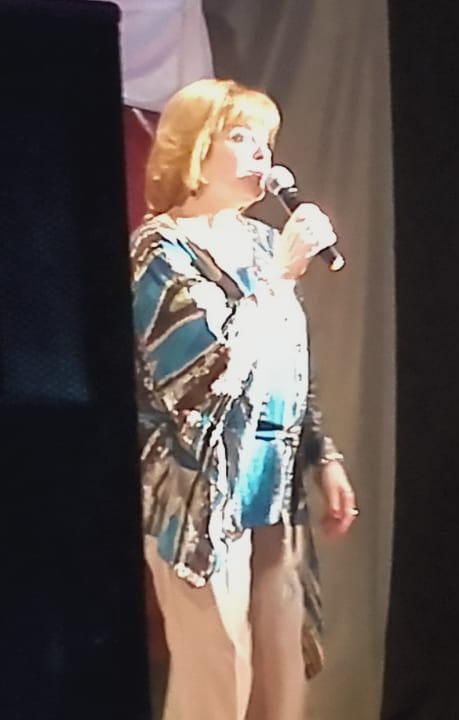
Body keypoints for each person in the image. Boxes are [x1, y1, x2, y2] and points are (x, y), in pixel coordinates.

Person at [130, 78, 357, 720]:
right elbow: (204, 367)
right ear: (193, 151)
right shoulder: (159, 249)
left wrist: (323, 455)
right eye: (240, 137)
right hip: (198, 491)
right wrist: (279, 277)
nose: (262, 152)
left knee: (279, 685)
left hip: (270, 486)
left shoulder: (261, 242)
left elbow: (288, 363)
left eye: (265, 140)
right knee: (218, 681)